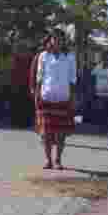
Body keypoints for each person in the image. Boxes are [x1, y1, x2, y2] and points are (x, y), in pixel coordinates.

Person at [35, 31, 77, 169]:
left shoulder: (70, 57)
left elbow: (72, 79)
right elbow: (39, 77)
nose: (57, 41)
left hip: (63, 98)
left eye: (60, 39)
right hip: (46, 97)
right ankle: (48, 160)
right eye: (55, 39)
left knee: (61, 133)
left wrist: (72, 98)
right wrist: (37, 96)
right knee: (46, 133)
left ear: (64, 41)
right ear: (51, 40)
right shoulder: (43, 56)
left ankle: (58, 160)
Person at [9, 45, 35, 129]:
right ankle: (17, 122)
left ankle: (24, 122)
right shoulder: (16, 58)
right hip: (18, 83)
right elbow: (13, 70)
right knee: (18, 103)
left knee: (25, 103)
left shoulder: (30, 58)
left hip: (26, 83)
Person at [91, 52, 108, 130]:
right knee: (100, 111)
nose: (106, 59)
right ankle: (101, 127)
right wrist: (93, 90)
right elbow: (93, 77)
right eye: (104, 57)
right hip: (98, 94)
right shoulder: (98, 67)